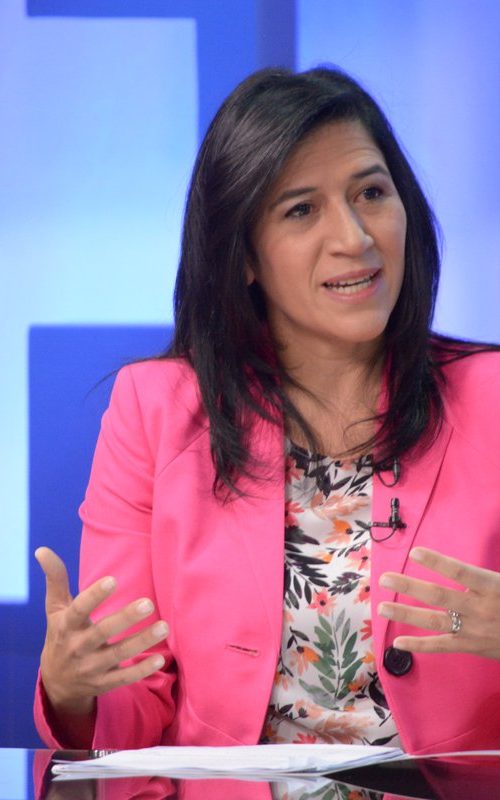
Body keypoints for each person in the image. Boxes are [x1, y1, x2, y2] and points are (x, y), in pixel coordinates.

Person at [34, 66, 500, 756]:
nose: (355, 237)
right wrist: (73, 687)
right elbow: (130, 719)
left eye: (371, 193)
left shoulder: (492, 397)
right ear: (244, 256)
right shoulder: (156, 411)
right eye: (302, 210)